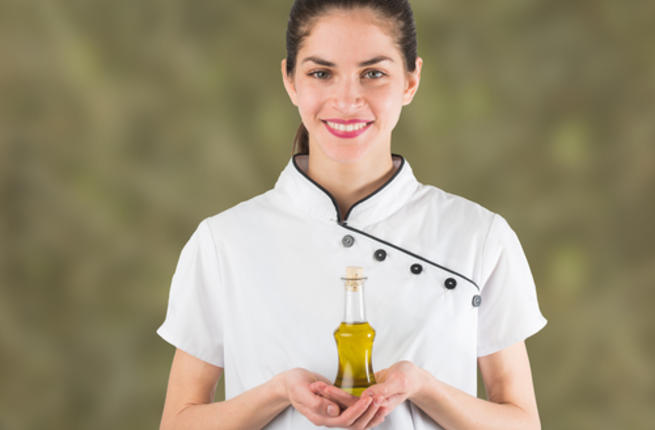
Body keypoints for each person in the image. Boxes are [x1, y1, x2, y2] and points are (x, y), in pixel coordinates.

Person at [156, 1, 547, 429]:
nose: (346, 100)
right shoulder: (223, 242)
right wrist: (276, 392)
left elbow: (522, 423)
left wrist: (425, 388)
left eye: (373, 73)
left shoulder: (478, 236)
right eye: (321, 73)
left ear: (411, 80)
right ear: (290, 80)